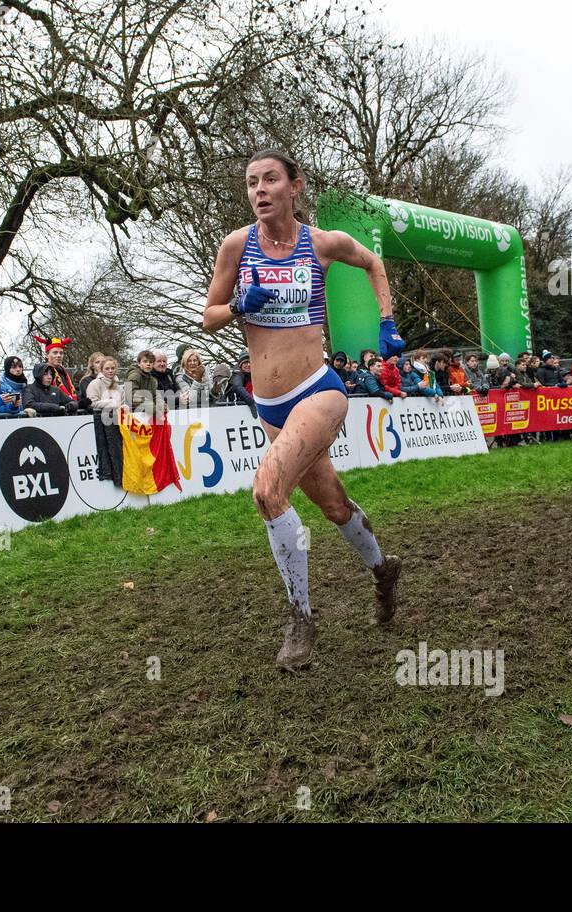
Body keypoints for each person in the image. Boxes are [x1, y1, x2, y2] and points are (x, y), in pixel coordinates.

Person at [202, 149, 401, 671]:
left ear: (296, 186)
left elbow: (373, 262)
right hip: (269, 407)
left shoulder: (322, 244)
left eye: (270, 179)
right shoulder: (236, 247)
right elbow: (208, 317)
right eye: (251, 183)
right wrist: (240, 306)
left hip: (319, 389)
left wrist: (386, 321)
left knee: (268, 492)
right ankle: (383, 571)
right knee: (334, 506)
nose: (259, 190)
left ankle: (301, 618)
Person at [125, 350, 162, 419]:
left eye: (151, 362)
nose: (148, 364)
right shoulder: (134, 375)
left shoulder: (152, 379)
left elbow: (155, 395)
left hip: (147, 412)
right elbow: (131, 395)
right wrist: (152, 407)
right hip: (133, 414)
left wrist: (162, 405)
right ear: (139, 363)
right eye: (145, 361)